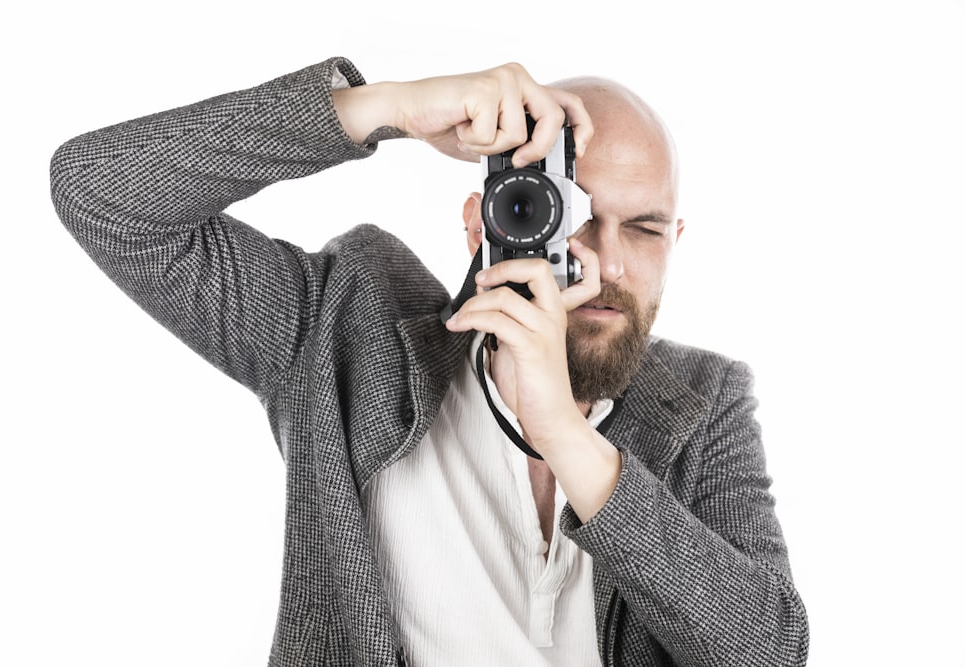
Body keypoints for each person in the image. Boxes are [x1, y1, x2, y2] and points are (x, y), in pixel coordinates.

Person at [50, 57, 809, 666]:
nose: (606, 263)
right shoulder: (348, 328)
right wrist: (380, 109)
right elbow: (102, 195)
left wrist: (565, 434)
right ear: (493, 220)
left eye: (642, 229)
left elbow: (771, 650)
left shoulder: (705, 399)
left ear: (675, 241)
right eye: (572, 219)